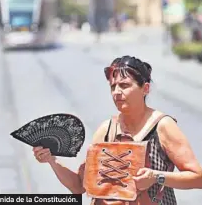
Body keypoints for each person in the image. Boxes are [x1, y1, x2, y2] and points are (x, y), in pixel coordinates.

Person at [32, 55, 202, 204]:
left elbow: (198, 178)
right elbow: (79, 186)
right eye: (113, 87)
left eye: (125, 85)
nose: (117, 92)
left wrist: (156, 177)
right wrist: (51, 161)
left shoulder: (162, 126)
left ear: (146, 88)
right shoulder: (106, 130)